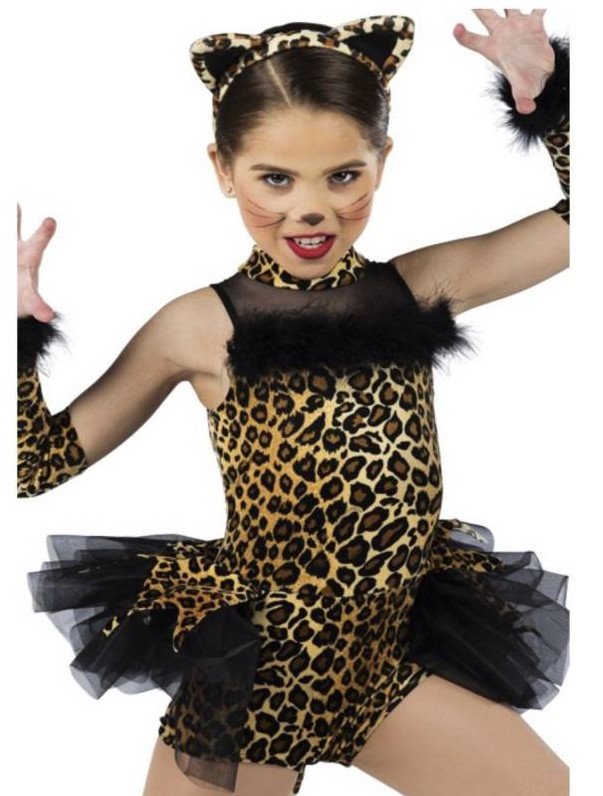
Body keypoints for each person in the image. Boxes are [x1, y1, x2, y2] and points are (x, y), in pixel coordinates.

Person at [18, 12, 570, 796]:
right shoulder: (197, 326)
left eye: (342, 176)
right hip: (261, 677)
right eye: (274, 179)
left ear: (382, 161)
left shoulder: (417, 288)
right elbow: (33, 463)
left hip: (382, 661)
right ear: (223, 168)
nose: (310, 209)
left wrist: (551, 99)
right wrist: (15, 339)